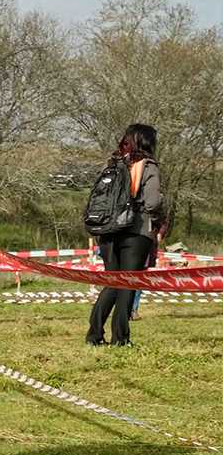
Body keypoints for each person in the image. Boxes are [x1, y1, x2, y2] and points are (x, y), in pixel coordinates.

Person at [87, 124, 162, 346]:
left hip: (108, 232)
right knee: (128, 283)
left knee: (111, 283)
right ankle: (121, 338)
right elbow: (153, 202)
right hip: (136, 231)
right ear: (148, 142)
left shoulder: (112, 164)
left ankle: (94, 335)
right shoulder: (147, 166)